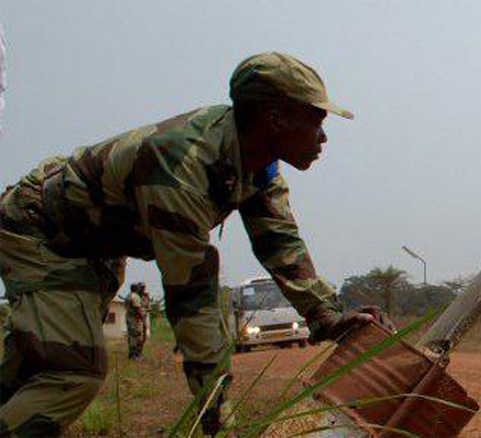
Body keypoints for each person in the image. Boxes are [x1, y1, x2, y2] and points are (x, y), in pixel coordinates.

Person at [0, 52, 375, 436]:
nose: (323, 137)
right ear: (276, 119)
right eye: (317, 121)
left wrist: (325, 315)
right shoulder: (182, 168)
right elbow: (191, 297)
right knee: (70, 373)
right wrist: (219, 417)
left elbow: (280, 243)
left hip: (94, 244)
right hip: (43, 231)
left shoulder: (258, 165)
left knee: (28, 371)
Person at [124, 282, 149, 360]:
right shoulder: (135, 296)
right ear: (137, 288)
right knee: (135, 337)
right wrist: (143, 320)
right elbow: (137, 309)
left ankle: (135, 354)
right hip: (135, 319)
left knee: (133, 336)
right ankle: (134, 355)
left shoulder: (129, 295)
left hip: (131, 318)